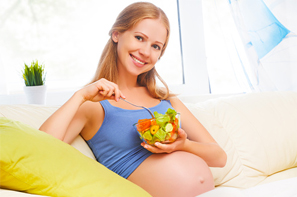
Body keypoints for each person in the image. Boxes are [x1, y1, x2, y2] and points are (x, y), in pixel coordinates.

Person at [39, 2, 227, 197]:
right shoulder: (93, 104)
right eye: (139, 38)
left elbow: (220, 157)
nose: (146, 52)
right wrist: (80, 96)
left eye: (156, 46)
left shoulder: (166, 100)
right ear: (117, 34)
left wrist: (183, 145)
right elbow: (41, 149)